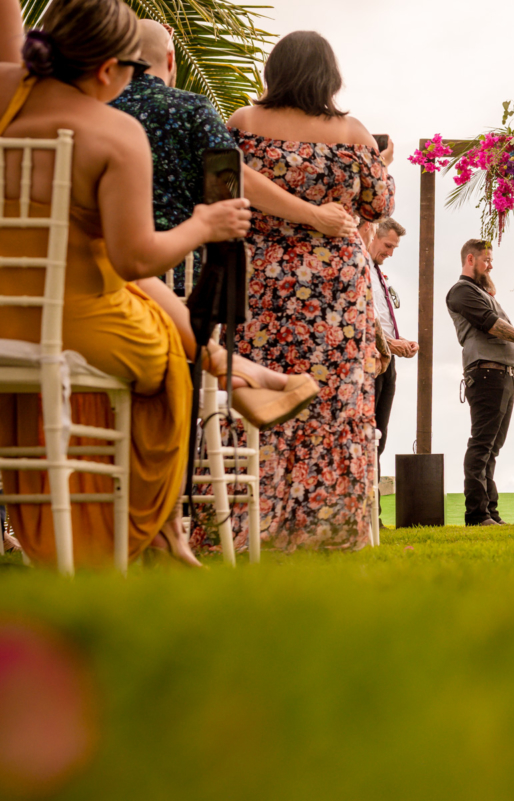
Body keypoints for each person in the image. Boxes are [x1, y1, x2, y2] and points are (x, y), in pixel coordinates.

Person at [0, 0, 316, 568]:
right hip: (127, 282)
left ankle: (241, 372)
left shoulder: (9, 93)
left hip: (18, 299)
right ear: (113, 69)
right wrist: (206, 224)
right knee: (169, 350)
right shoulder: (135, 126)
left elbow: (10, 50)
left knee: (134, 290)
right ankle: (164, 521)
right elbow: (206, 199)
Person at [223, 30, 394, 552]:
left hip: (260, 281)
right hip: (334, 291)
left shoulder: (243, 124)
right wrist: (383, 164)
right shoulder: (355, 134)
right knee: (334, 402)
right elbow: (377, 206)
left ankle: (247, 522)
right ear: (330, 76)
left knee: (259, 394)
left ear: (275, 72)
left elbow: (220, 184)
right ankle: (333, 529)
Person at [109, 20, 355, 293]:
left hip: (96, 269)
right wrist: (315, 215)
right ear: (169, 59)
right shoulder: (191, 110)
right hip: (175, 275)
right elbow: (232, 182)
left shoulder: (95, 108)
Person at [447, 239, 514, 526]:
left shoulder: (481, 291)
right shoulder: (461, 291)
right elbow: (493, 325)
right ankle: (476, 514)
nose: (491, 265)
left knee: (493, 447)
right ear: (470, 259)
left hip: (503, 374)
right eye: (487, 260)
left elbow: (506, 332)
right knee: (481, 444)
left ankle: (490, 512)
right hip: (485, 374)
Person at [367, 217, 416, 457]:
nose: (390, 253)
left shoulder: (377, 272)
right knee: (368, 434)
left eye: (394, 248)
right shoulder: (359, 267)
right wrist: (388, 343)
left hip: (388, 359)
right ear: (372, 233)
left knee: (380, 434)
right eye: (388, 246)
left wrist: (400, 341)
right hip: (371, 358)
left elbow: (380, 318)